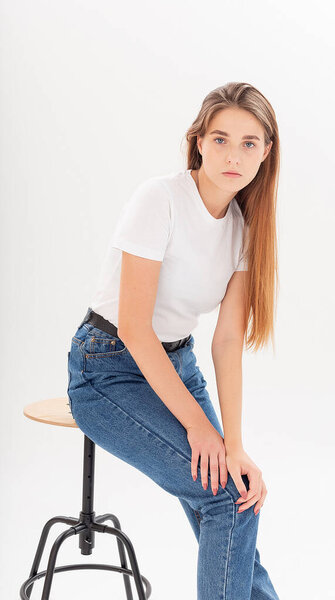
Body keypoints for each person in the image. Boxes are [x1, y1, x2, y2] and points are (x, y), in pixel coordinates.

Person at [67, 81, 281, 600]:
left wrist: (233, 443)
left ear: (266, 152)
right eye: (221, 139)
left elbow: (227, 340)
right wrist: (199, 431)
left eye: (249, 143)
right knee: (226, 499)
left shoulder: (244, 229)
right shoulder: (158, 199)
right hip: (107, 369)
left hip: (177, 364)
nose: (234, 155)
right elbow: (136, 329)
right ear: (199, 141)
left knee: (238, 492)